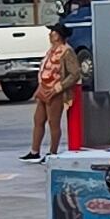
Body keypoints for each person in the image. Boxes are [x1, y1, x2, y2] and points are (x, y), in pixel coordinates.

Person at [25, 32, 81, 160]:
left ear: (59, 36)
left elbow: (74, 74)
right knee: (38, 120)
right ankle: (34, 151)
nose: (50, 35)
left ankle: (53, 152)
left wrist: (59, 88)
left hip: (56, 90)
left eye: (53, 33)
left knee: (53, 122)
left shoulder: (67, 51)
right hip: (44, 88)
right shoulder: (51, 50)